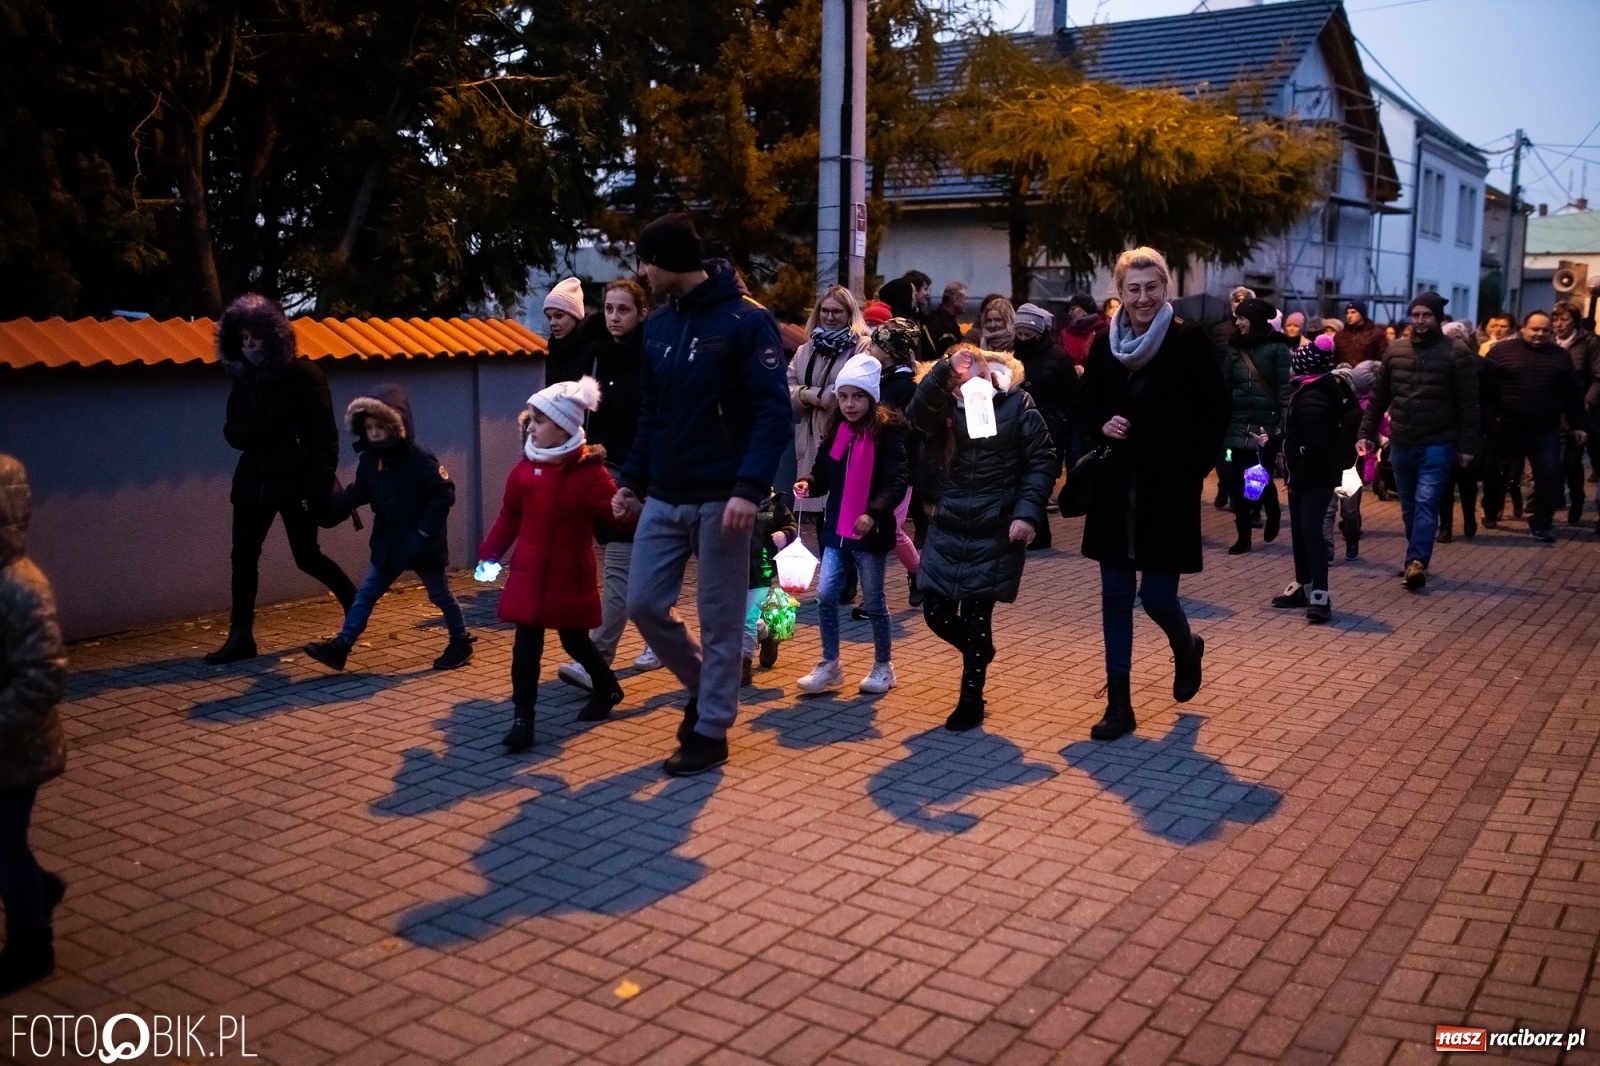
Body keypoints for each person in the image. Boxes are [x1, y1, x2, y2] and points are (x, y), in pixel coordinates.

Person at [614, 212, 791, 776]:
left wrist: (748, 489)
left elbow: (772, 413)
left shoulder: (746, 321)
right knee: (642, 603)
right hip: (664, 495)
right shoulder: (659, 325)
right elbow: (651, 412)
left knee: (720, 619)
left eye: (646, 261)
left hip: (723, 499)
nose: (641, 272)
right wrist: (631, 482)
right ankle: (705, 688)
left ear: (669, 261)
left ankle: (711, 730)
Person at [1079, 247, 1228, 741]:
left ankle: (1186, 646)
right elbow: (1086, 405)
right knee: (1116, 596)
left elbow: (1216, 412)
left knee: (1158, 597)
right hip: (1115, 488)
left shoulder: (1188, 340)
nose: (1142, 298)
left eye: (1151, 288)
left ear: (1165, 288)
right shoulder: (1105, 345)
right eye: (1133, 289)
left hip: (1168, 490)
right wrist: (1102, 424)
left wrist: (1191, 470)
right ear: (1120, 293)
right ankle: (1119, 706)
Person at [908, 345, 1056, 731]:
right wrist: (942, 371)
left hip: (994, 524)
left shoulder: (1017, 404)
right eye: (961, 373)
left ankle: (970, 699)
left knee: (977, 615)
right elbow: (917, 414)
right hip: (949, 522)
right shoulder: (942, 405)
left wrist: (1026, 514)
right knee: (936, 612)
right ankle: (980, 649)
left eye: (980, 370)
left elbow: (1042, 460)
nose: (973, 377)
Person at [478, 378, 630, 750]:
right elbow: (509, 518)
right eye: (531, 419)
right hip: (529, 575)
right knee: (525, 648)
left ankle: (607, 687)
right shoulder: (523, 471)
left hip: (569, 576)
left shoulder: (591, 473)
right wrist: (489, 555)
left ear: (563, 426)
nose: (530, 427)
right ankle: (523, 720)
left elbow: (618, 518)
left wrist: (635, 511)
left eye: (539, 420)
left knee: (574, 641)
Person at [207, 294, 356, 664]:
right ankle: (241, 636)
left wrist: (317, 487)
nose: (249, 344)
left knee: (306, 557)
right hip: (252, 484)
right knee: (243, 558)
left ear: (273, 336)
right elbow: (232, 431)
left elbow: (326, 438)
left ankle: (356, 606)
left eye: (255, 337)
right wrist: (259, 430)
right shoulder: (243, 379)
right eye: (243, 338)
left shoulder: (304, 376)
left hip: (294, 482)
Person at [305, 385, 473, 672]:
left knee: (439, 594)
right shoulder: (370, 460)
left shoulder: (419, 458)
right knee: (366, 593)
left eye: (380, 427)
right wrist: (326, 505)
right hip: (389, 542)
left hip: (422, 543)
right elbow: (359, 492)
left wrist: (423, 532)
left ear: (396, 426)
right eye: (369, 427)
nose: (374, 433)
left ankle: (460, 641)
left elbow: (443, 492)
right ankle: (341, 646)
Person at [555, 279, 661, 692]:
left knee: (619, 569)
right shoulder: (593, 354)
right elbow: (574, 411)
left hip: (638, 480)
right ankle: (665, 637)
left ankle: (597, 659)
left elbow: (657, 422)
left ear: (641, 313)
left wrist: (644, 478)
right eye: (610, 308)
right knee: (638, 578)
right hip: (597, 475)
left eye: (624, 309)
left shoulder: (653, 356)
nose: (615, 317)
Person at [794, 353, 910, 695]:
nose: (849, 404)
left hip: (869, 533)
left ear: (871, 398)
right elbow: (823, 472)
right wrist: (809, 483)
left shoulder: (887, 434)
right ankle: (830, 664)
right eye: (843, 396)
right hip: (836, 530)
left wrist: (872, 513)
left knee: (873, 601)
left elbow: (897, 481)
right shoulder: (837, 431)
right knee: (825, 596)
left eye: (857, 396)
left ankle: (883, 666)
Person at [1357, 292, 1480, 589]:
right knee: (1409, 506)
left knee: (1426, 501)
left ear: (1438, 318)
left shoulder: (1457, 353)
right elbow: (1379, 397)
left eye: (1427, 315)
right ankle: (1415, 555)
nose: (1421, 321)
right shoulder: (1395, 350)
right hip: (1402, 439)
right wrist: (1366, 433)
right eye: (1416, 315)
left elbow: (1469, 404)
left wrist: (1467, 446)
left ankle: (1416, 562)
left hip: (1439, 441)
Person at [0, 455, 68, 996]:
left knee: (4, 847)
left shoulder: (22, 588)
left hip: (16, 748)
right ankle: (37, 889)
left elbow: (43, 676)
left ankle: (31, 944)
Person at [1479, 311, 1589, 543]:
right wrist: (1488, 419)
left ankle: (1542, 522)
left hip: (1544, 428)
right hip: (1506, 425)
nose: (1540, 334)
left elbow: (1572, 394)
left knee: (1548, 475)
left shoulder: (1561, 357)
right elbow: (1484, 390)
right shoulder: (1500, 352)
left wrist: (1579, 425)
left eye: (1545, 330)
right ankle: (1491, 509)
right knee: (1496, 472)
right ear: (1523, 329)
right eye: (1535, 329)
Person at [1272, 337, 1360, 623]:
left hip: (1314, 476)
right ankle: (1304, 585)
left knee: (1310, 530)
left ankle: (1320, 593)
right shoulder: (1309, 391)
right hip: (1306, 473)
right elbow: (1298, 435)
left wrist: (1298, 477)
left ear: (1302, 367)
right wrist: (1274, 441)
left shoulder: (1311, 398)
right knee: (1300, 531)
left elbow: (1316, 446)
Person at [790, 286, 870, 528]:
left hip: (846, 435)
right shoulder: (805, 350)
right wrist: (814, 395)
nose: (829, 317)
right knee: (815, 505)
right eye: (825, 311)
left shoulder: (862, 347)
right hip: (810, 437)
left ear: (849, 313)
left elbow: (854, 389)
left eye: (837, 311)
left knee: (841, 506)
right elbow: (786, 387)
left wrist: (812, 395)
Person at [1220, 298, 1290, 554]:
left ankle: (1271, 509)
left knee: (1258, 478)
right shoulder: (1234, 348)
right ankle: (1244, 536)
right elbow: (1225, 385)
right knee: (1238, 483)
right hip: (1238, 423)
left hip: (1266, 426)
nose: (1237, 322)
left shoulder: (1277, 348)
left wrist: (1282, 424)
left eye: (1242, 318)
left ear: (1255, 320)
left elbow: (1284, 389)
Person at [869, 318, 926, 604]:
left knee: (892, 528)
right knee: (879, 528)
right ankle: (874, 593)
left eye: (875, 344)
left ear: (890, 350)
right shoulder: (879, 378)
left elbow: (909, 431)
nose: (870, 349)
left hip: (900, 469)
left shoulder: (906, 386)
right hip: (874, 465)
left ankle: (918, 573)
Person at [1014, 302, 1077, 550]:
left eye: (1027, 333)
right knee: (1024, 478)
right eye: (1019, 333)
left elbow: (1073, 395)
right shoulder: (1014, 355)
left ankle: (1040, 534)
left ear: (1039, 332)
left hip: (1051, 429)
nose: (1023, 338)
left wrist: (1061, 421)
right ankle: (1040, 533)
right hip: (1021, 427)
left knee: (1042, 478)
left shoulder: (1058, 356)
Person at [1551, 301, 1600, 527]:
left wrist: (1587, 401)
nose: (1558, 324)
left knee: (1571, 461)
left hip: (1578, 412)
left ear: (1575, 322)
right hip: (1551, 411)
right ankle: (1552, 501)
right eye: (1555, 319)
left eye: (1564, 320)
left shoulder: (1588, 342)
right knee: (1552, 461)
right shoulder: (1548, 341)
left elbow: (1598, 376)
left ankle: (1577, 498)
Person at [741, 491, 797, 684]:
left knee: (747, 618)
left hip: (760, 572)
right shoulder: (730, 498)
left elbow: (791, 525)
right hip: (730, 571)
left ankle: (743, 663)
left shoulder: (774, 505)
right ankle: (767, 634)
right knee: (730, 618)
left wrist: (785, 534)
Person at [1328, 341, 1378, 556]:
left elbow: (1369, 436)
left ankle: (1352, 539)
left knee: (1349, 512)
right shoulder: (1324, 411)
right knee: (1328, 511)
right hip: (1328, 469)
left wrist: (1368, 443)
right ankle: (1327, 548)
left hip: (1349, 470)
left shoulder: (1357, 414)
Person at [1437, 320, 1484, 543]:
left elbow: (1487, 398)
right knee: (1444, 483)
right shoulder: (1436, 364)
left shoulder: (1480, 365)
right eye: (1451, 338)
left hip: (1468, 428)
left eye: (1459, 338)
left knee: (1467, 481)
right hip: (1443, 429)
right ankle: (1445, 526)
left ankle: (1469, 518)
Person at [541, 277, 595, 384]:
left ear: (575, 316)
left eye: (559, 316)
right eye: (549, 317)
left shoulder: (592, 352)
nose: (552, 323)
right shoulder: (549, 354)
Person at [1058, 293, 1106, 373]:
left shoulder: (1104, 331)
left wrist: (1087, 372)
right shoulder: (1065, 334)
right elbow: (1059, 360)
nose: (1069, 313)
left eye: (1073, 309)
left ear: (1085, 310)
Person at [1334, 299, 1388, 368]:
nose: (1349, 316)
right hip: (1344, 373)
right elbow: (1334, 359)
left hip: (1367, 374)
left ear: (1361, 314)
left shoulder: (1376, 334)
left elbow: (1384, 360)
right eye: (1347, 313)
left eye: (1353, 312)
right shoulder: (1340, 335)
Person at [929, 282, 968, 358]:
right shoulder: (941, 324)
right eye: (965, 298)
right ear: (955, 300)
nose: (967, 302)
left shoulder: (947, 321)